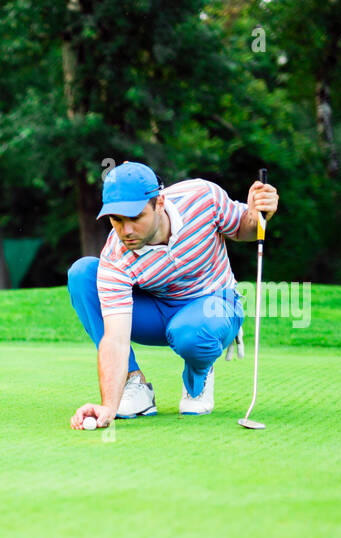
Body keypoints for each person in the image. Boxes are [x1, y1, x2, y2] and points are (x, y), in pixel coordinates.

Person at [67, 161, 279, 429]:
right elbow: (115, 339)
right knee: (83, 274)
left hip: (214, 306)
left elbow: (244, 228)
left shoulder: (202, 197)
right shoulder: (115, 256)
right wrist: (108, 406)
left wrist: (259, 213)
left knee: (190, 332)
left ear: (159, 203)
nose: (126, 230)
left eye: (135, 217)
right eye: (117, 220)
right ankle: (134, 385)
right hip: (157, 313)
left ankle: (197, 377)